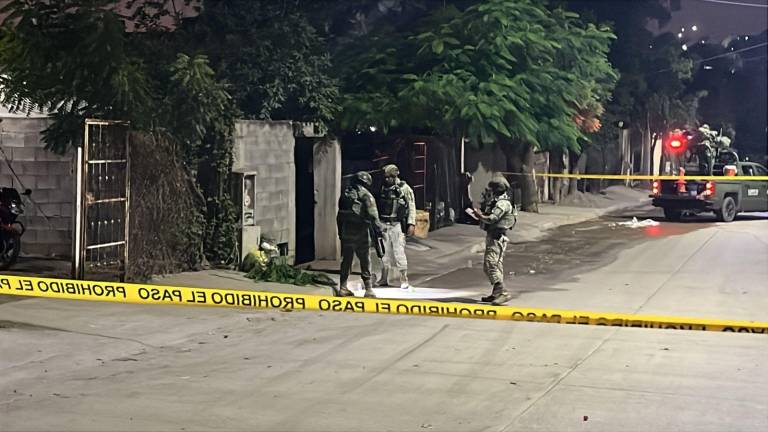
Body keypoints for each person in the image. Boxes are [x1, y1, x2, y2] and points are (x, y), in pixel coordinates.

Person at [336, 171, 382, 298]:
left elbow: (339, 215)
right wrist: (379, 230)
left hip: (346, 231)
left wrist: (340, 232)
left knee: (346, 260)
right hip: (361, 231)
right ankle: (368, 289)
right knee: (365, 260)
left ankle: (343, 287)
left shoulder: (345, 194)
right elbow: (373, 215)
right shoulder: (366, 196)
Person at [473, 175, 516, 305]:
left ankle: (502, 291)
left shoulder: (502, 203)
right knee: (495, 265)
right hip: (494, 236)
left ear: (498, 189)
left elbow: (492, 218)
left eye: (493, 188)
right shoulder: (498, 201)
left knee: (490, 264)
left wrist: (480, 216)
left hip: (497, 238)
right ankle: (496, 293)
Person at [375, 164, 416, 290]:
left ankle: (404, 278)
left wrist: (411, 223)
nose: (387, 180)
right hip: (383, 224)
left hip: (396, 225)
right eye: (385, 177)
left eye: (389, 177)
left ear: (395, 176)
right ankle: (384, 277)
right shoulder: (382, 187)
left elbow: (411, 206)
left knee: (399, 253)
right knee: (384, 253)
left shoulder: (404, 188)